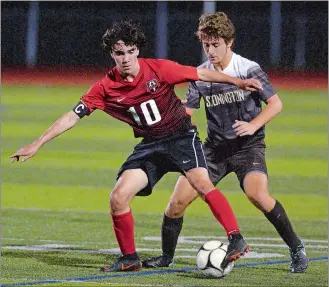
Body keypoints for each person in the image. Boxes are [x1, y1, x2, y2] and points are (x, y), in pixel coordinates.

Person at [10, 20, 262, 272]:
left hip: (181, 137)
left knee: (201, 183)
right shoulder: (105, 87)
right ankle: (130, 258)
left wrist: (238, 82)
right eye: (120, 53)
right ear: (112, 54)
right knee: (118, 197)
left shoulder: (159, 69)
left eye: (130, 51)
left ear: (137, 50)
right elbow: (72, 116)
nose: (126, 58)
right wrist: (37, 143)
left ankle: (235, 238)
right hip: (151, 145)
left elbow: (201, 73)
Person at [142, 12, 309, 273]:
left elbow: (276, 104)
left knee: (258, 195)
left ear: (229, 42)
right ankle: (166, 257)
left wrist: (253, 125)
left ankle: (297, 248)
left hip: (248, 148)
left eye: (215, 44)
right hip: (213, 149)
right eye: (206, 44)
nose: (210, 50)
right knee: (176, 203)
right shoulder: (202, 75)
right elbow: (188, 111)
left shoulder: (247, 68)